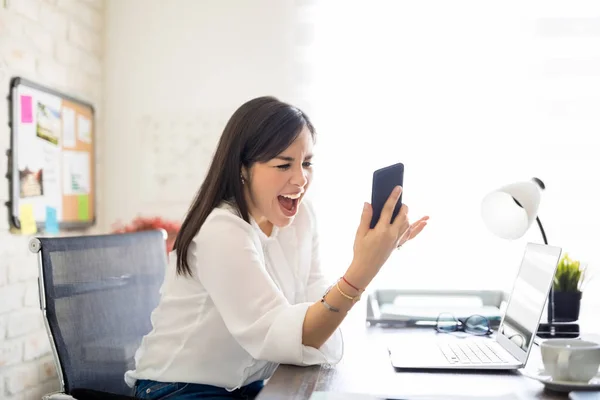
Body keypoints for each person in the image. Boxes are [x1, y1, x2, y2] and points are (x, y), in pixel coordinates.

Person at [125, 96, 428, 399]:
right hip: (177, 388)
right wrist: (364, 267)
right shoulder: (221, 230)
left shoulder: (301, 217)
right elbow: (295, 335)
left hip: (248, 386)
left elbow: (316, 304)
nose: (300, 179)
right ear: (243, 168)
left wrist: (376, 254)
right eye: (284, 165)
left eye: (307, 163)